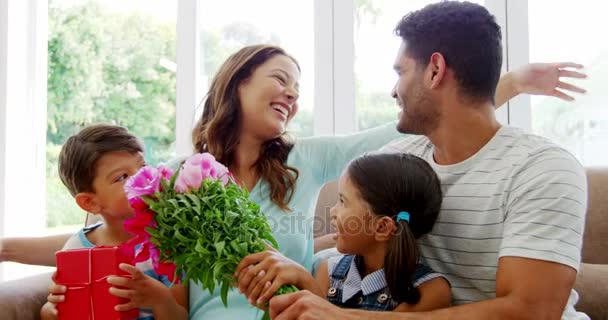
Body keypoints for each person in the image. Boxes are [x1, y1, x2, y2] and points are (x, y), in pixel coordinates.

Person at [1, 43, 586, 319]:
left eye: (297, 88)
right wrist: (7, 248)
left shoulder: (308, 159)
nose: (292, 93)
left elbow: (400, 124)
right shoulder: (178, 178)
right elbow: (109, 234)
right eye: (279, 78)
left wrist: (505, 83)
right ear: (236, 83)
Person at [267, 2, 589, 319]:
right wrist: (290, 261)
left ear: (435, 70)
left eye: (400, 72)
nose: (394, 91)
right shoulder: (395, 161)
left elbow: (531, 312)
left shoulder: (542, 169)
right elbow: (354, 232)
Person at [235, 153, 451, 313]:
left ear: (382, 227)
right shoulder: (329, 271)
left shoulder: (430, 290)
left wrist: (307, 285)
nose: (332, 211)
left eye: (342, 201)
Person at [39, 124, 188, 320]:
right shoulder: (76, 249)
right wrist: (51, 311)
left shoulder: (167, 244)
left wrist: (160, 299)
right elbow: (56, 309)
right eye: (122, 177)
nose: (142, 177)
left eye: (142, 166)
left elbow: (181, 316)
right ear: (90, 202)